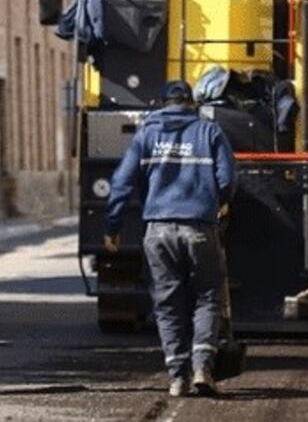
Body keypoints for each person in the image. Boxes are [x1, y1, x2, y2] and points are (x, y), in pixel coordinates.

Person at [105, 80, 237, 398]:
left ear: (162, 103)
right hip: (199, 228)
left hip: (158, 231)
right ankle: (203, 367)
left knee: (168, 304)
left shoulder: (147, 135)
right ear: (191, 102)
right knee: (207, 298)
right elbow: (229, 176)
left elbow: (121, 183)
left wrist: (112, 227)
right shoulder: (209, 133)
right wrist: (219, 202)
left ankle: (178, 377)